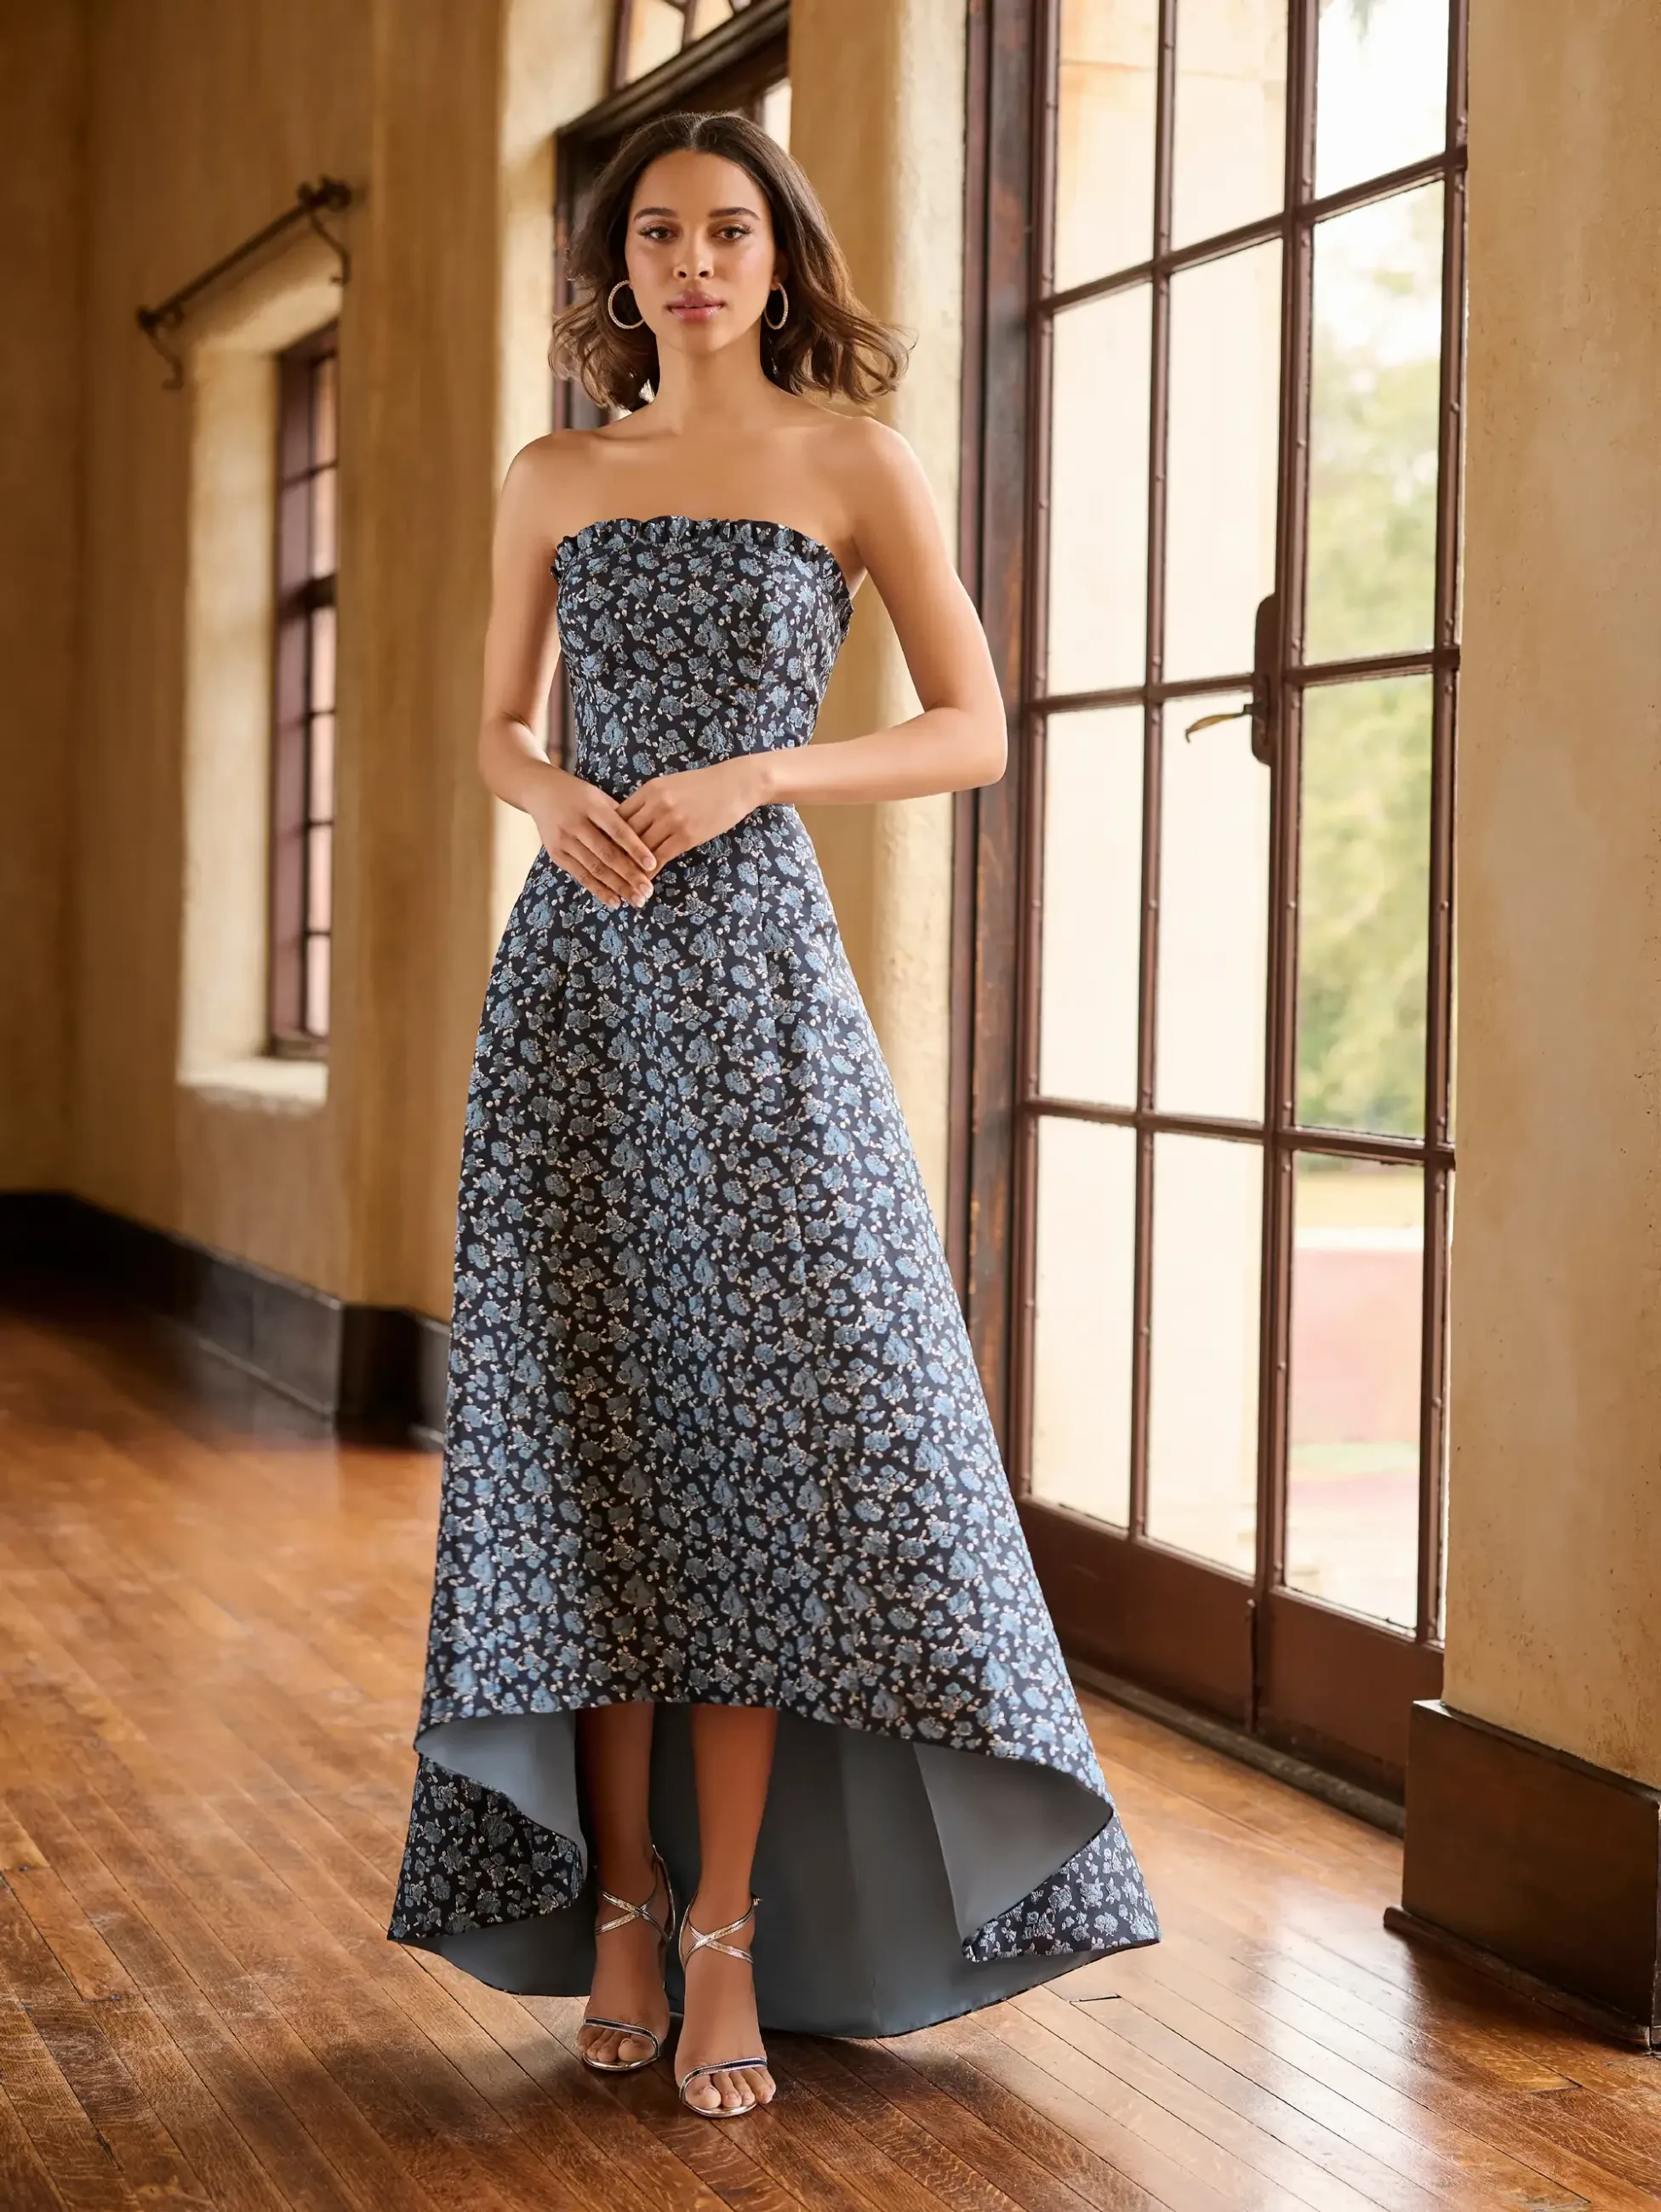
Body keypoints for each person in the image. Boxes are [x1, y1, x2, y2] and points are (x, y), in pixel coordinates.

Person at [387, 108, 1157, 2122]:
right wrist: (542, 792)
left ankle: (725, 1914)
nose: (693, 262)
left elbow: (974, 724)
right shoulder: (556, 468)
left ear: (781, 254)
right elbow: (488, 717)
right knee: (598, 1445)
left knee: (762, 1452)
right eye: (657, 233)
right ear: (619, 265)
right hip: (571, 994)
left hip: (758, 999)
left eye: (729, 230)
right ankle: (619, 1901)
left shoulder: (851, 460)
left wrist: (756, 777)